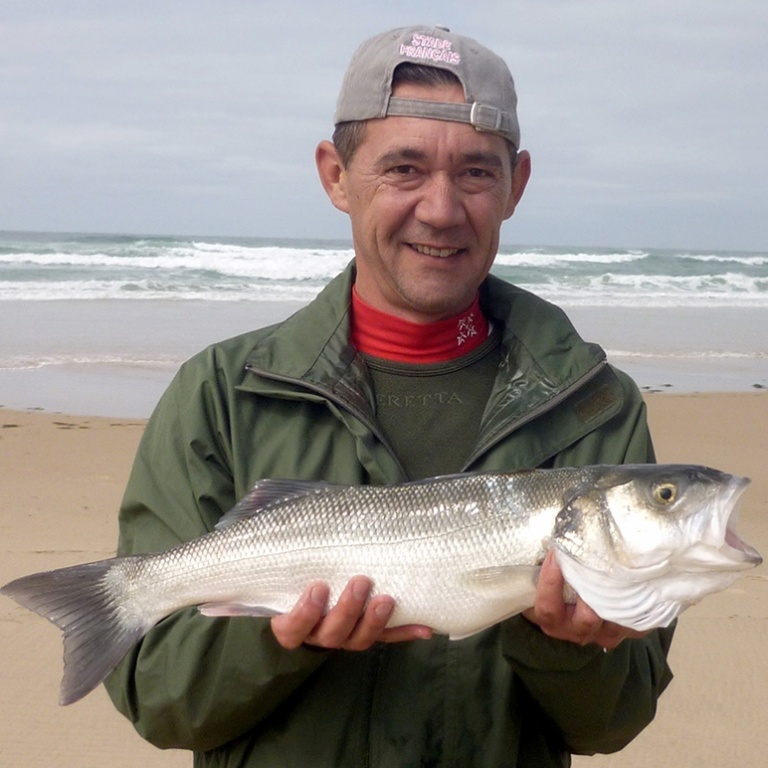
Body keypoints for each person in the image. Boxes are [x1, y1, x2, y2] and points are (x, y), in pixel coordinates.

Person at [104, 25, 674, 767]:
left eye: (475, 173)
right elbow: (158, 698)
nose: (441, 210)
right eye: (403, 169)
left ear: (517, 184)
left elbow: (614, 721)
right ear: (336, 175)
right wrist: (276, 637)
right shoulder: (219, 395)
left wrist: (562, 645)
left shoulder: (596, 407)